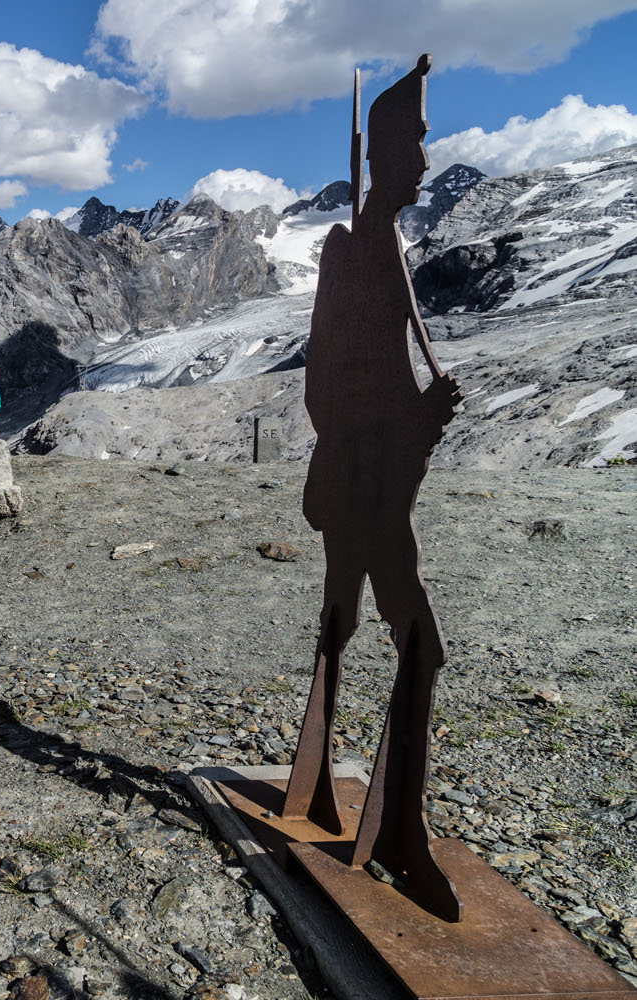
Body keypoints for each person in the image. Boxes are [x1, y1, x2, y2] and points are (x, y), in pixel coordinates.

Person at [281, 54, 466, 922]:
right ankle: (397, 838)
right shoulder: (355, 248)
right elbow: (336, 382)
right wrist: (416, 416)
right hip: (367, 484)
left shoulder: (377, 243)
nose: (427, 158)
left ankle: (328, 794)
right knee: (406, 639)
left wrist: (419, 413)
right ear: (387, 150)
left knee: (347, 623)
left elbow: (355, 378)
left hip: (370, 478)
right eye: (419, 140)